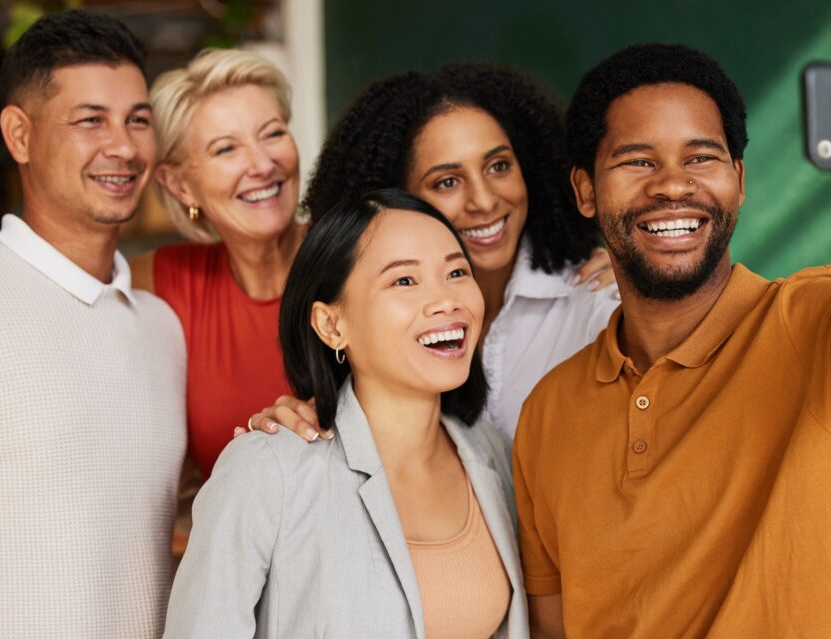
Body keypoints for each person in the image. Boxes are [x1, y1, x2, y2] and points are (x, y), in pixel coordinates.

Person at [513, 43, 831, 639]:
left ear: (738, 183)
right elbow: (555, 637)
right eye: (637, 162)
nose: (672, 185)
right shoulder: (547, 411)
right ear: (586, 191)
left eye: (701, 157)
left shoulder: (815, 327)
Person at [159, 189, 528, 639]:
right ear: (332, 325)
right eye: (404, 281)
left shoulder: (494, 455)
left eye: (456, 272)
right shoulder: (266, 471)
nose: (446, 300)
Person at [0, 10, 185, 639]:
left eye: (137, 120)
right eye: (90, 120)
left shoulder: (162, 328)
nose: (123, 147)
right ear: (20, 134)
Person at [250, 63, 619, 440]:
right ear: (396, 199)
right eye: (447, 182)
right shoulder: (369, 315)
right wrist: (301, 422)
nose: (484, 200)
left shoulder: (594, 303)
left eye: (498, 166)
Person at [127, 48, 304, 479]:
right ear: (180, 185)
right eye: (227, 149)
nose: (263, 164)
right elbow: (52, 291)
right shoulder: (163, 280)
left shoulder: (358, 256)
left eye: (273, 133)